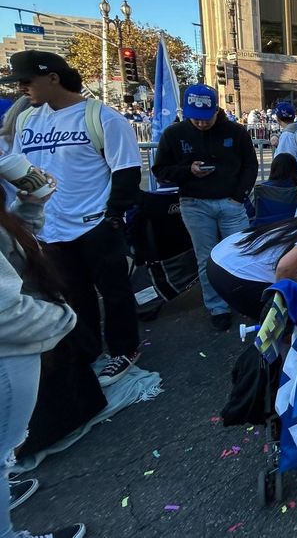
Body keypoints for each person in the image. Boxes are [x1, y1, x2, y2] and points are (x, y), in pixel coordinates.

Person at [4, 50, 142, 385]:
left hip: (96, 223)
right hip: (49, 229)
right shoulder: (27, 120)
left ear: (53, 78)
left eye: (27, 81)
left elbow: (126, 171)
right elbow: (24, 166)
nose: (21, 88)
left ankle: (124, 350)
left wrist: (113, 216)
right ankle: (88, 352)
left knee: (115, 292)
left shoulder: (103, 117)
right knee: (74, 296)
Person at [0, 180, 87, 538]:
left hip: (14, 350)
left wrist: (32, 207)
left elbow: (11, 248)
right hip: (9, 355)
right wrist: (63, 318)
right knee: (3, 448)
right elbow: (6, 313)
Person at [152, 85, 258, 330]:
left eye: (205, 118)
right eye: (195, 118)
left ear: (216, 110)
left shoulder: (236, 131)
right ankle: (217, 306)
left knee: (241, 253)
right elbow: (161, 171)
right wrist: (188, 171)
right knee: (206, 257)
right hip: (194, 204)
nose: (200, 123)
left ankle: (245, 299)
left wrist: (238, 197)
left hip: (231, 203)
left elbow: (250, 166)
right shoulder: (174, 134)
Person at [272, 101, 297, 179]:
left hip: (293, 179)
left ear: (278, 118)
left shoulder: (287, 135)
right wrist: (275, 136)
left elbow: (284, 162)